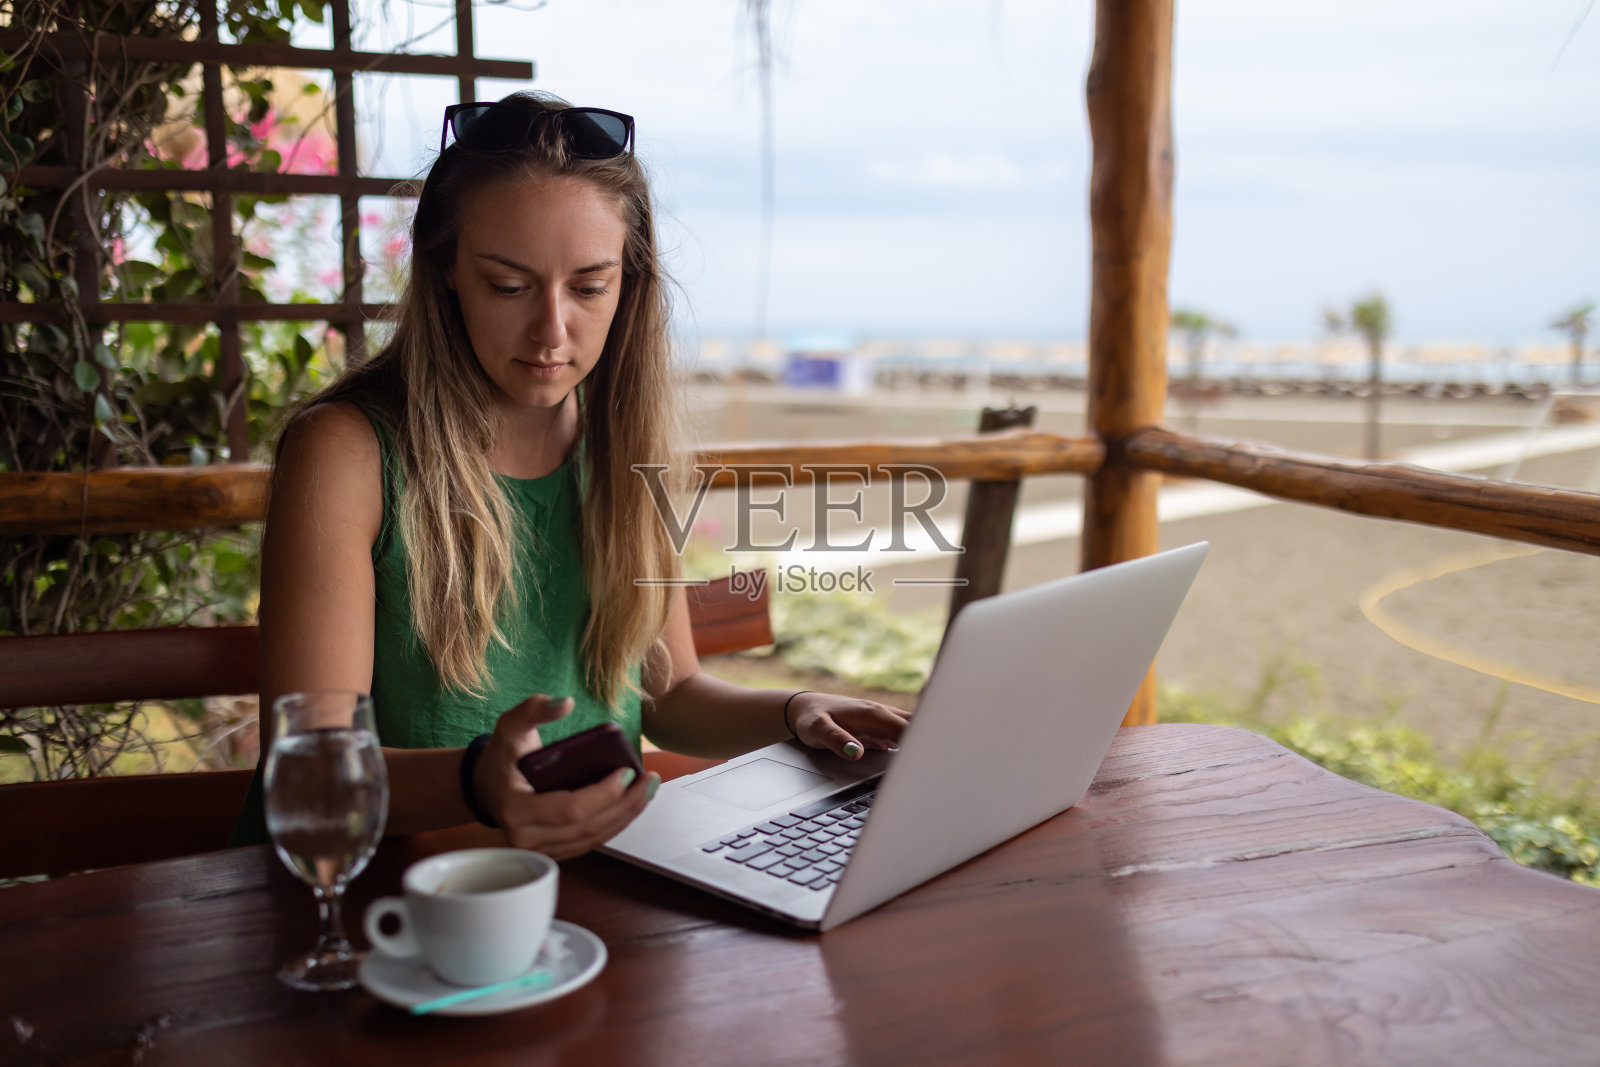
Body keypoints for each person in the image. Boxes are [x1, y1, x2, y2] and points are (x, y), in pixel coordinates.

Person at [231, 92, 909, 858]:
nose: (553, 332)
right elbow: (311, 772)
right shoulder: (347, 453)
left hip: (583, 889)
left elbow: (672, 695)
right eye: (508, 285)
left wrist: (794, 708)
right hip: (380, 899)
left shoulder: (618, 447)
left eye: (590, 287)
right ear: (446, 266)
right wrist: (480, 781)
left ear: (629, 283)